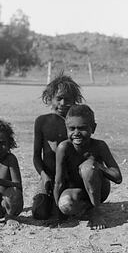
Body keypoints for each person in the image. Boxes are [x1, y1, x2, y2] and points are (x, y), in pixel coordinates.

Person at [53, 104, 122, 230]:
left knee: (88, 168)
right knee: (65, 205)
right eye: (71, 128)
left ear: (93, 128)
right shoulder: (64, 148)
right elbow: (59, 182)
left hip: (100, 191)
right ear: (66, 129)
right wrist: (59, 214)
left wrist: (96, 166)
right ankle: (86, 208)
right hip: (77, 193)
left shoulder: (99, 146)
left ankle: (96, 211)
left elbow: (117, 177)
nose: (76, 133)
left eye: (82, 128)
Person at [32, 74, 84, 222]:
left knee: (66, 207)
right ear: (50, 98)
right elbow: (36, 156)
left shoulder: (77, 123)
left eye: (67, 99)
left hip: (70, 177)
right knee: (39, 213)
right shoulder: (42, 122)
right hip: (48, 175)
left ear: (74, 100)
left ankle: (83, 203)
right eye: (59, 98)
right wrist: (43, 176)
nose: (63, 103)